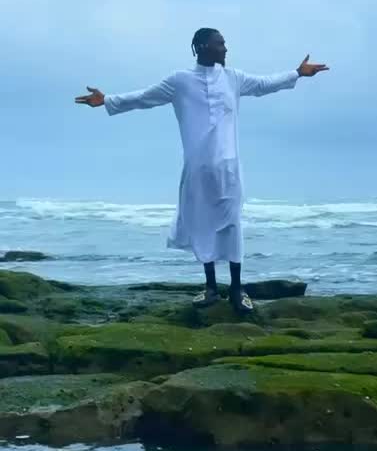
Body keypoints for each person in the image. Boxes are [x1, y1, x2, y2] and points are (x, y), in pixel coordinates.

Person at [75, 29, 329, 313]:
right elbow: (144, 97)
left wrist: (297, 73)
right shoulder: (180, 81)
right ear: (202, 46)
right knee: (202, 223)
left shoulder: (233, 78)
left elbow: (263, 84)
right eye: (220, 44)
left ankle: (236, 289)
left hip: (229, 170)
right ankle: (210, 287)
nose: (225, 48)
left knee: (232, 225)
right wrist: (107, 100)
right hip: (197, 170)